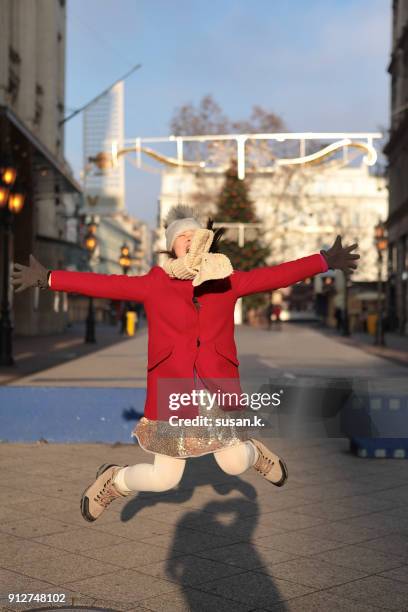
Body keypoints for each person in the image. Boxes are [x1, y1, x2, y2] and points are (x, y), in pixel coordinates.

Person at [11, 206, 359, 522]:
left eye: (195, 235)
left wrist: (324, 260)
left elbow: (277, 275)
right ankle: (113, 480)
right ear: (170, 246)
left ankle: (256, 453)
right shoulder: (155, 284)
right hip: (172, 390)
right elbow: (107, 284)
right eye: (182, 237)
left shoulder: (227, 280)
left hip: (216, 389)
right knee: (165, 479)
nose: (189, 240)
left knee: (235, 462)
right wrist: (51, 278)